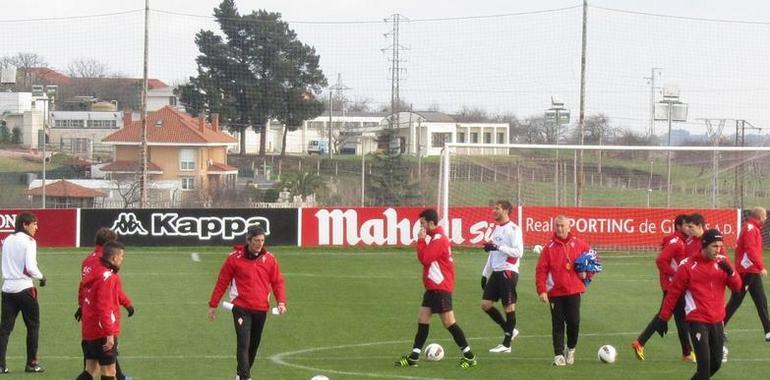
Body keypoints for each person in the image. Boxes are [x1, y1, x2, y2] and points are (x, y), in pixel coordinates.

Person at [395, 208, 477, 369]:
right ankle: (414, 357)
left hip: (440, 287)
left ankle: (470, 356)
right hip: (433, 288)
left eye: (423, 223)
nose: (421, 227)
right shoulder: (433, 238)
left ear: (431, 223)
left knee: (449, 323)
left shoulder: (439, 239)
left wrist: (420, 240)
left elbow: (425, 259)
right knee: (423, 320)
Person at [658, 229, 742, 380]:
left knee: (716, 363)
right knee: (704, 366)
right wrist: (663, 318)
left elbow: (737, 288)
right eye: (714, 246)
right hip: (697, 321)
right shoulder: (687, 266)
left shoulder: (723, 262)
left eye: (720, 246)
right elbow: (673, 293)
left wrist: (731, 273)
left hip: (717, 320)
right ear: (704, 245)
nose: (718, 250)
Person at [208, 226, 286, 380]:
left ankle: (240, 374)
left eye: (262, 240)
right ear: (248, 240)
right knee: (243, 343)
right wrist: (213, 304)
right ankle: (245, 377)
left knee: (254, 345)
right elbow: (222, 281)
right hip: (241, 308)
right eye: (256, 240)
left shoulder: (270, 259)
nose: (260, 244)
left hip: (261, 309)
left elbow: (278, 282)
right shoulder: (234, 258)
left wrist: (281, 302)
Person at [632, 214, 695, 362]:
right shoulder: (676, 242)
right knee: (663, 316)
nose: (689, 228)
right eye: (687, 225)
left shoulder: (681, 241)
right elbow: (661, 261)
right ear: (678, 226)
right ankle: (640, 342)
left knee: (681, 319)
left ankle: (687, 352)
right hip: (673, 286)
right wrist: (676, 274)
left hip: (675, 285)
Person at [75, 228, 134, 380]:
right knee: (109, 373)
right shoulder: (109, 277)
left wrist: (81, 306)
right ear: (113, 257)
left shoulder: (93, 269)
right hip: (101, 330)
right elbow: (105, 306)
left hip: (89, 327)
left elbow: (83, 287)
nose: (122, 259)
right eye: (121, 256)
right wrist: (109, 334)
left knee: (90, 371)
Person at [535, 215, 591, 366]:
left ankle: (570, 349)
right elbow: (541, 270)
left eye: (562, 226)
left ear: (568, 227)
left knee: (574, 322)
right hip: (555, 292)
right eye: (557, 226)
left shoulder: (580, 245)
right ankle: (558, 355)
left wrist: (586, 274)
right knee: (558, 323)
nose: (559, 228)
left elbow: (594, 261)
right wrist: (542, 290)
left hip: (574, 290)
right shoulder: (549, 248)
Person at [0, 212, 45, 374]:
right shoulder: (29, 242)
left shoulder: (7, 240)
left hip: (7, 289)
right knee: (33, 326)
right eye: (34, 224)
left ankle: (1, 364)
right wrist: (42, 277)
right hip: (24, 289)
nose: (36, 227)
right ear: (25, 225)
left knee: (5, 329)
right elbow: (30, 267)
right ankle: (32, 363)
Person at [480, 200, 523, 353]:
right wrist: (485, 274)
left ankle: (506, 345)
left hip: (508, 271)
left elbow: (519, 252)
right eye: (494, 208)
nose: (494, 211)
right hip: (496, 272)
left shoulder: (513, 229)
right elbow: (493, 253)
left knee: (508, 307)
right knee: (485, 304)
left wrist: (498, 247)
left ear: (505, 211)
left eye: (497, 208)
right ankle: (510, 330)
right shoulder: (497, 229)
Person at [724, 207, 770, 341]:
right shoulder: (750, 228)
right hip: (747, 270)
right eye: (765, 216)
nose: (766, 219)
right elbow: (750, 249)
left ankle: (768, 331)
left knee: (761, 300)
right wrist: (760, 266)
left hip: (751, 270)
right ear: (760, 217)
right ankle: (718, 327)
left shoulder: (752, 228)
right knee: (736, 300)